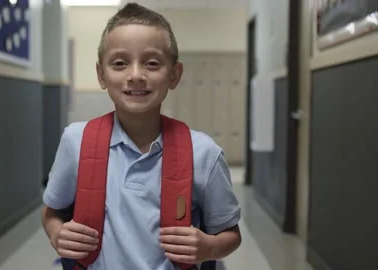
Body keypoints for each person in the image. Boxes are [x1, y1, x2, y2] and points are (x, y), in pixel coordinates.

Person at [41, 2, 242, 269]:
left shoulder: (204, 154)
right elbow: (51, 212)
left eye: (152, 63)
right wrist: (57, 233)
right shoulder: (75, 142)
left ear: (174, 75)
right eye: (120, 63)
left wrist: (208, 247)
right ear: (101, 75)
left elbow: (231, 234)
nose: (136, 75)